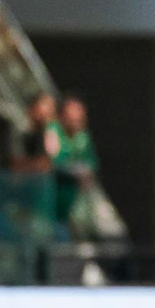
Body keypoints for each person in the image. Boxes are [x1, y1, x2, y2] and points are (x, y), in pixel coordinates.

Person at [53, 94, 100, 226]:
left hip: (75, 205)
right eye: (72, 114)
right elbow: (53, 163)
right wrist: (76, 172)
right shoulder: (53, 131)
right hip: (53, 203)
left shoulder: (83, 137)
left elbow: (91, 164)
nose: (76, 118)